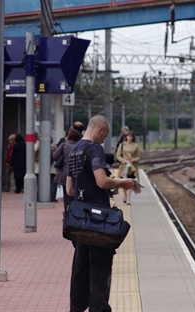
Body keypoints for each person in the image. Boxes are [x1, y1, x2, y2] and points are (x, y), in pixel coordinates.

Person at [66, 115, 135, 312]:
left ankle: (77, 308)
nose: (103, 140)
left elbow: (70, 189)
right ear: (99, 130)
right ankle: (99, 309)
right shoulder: (95, 148)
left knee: (80, 268)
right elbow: (101, 181)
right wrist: (122, 183)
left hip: (79, 220)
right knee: (99, 268)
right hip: (98, 220)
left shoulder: (74, 150)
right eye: (104, 136)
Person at [52, 128, 81, 209]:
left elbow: (54, 156)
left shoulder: (64, 145)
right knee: (77, 195)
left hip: (65, 173)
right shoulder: (80, 146)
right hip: (78, 173)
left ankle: (68, 215)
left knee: (67, 195)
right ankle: (76, 215)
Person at [116, 131, 141, 205]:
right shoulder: (122, 145)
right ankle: (125, 195)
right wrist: (124, 161)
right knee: (124, 182)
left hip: (132, 167)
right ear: (126, 137)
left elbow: (139, 156)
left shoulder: (135, 146)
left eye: (131, 137)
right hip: (124, 167)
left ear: (133, 138)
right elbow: (118, 156)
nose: (130, 138)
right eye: (129, 136)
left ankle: (128, 199)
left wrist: (135, 159)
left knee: (130, 182)